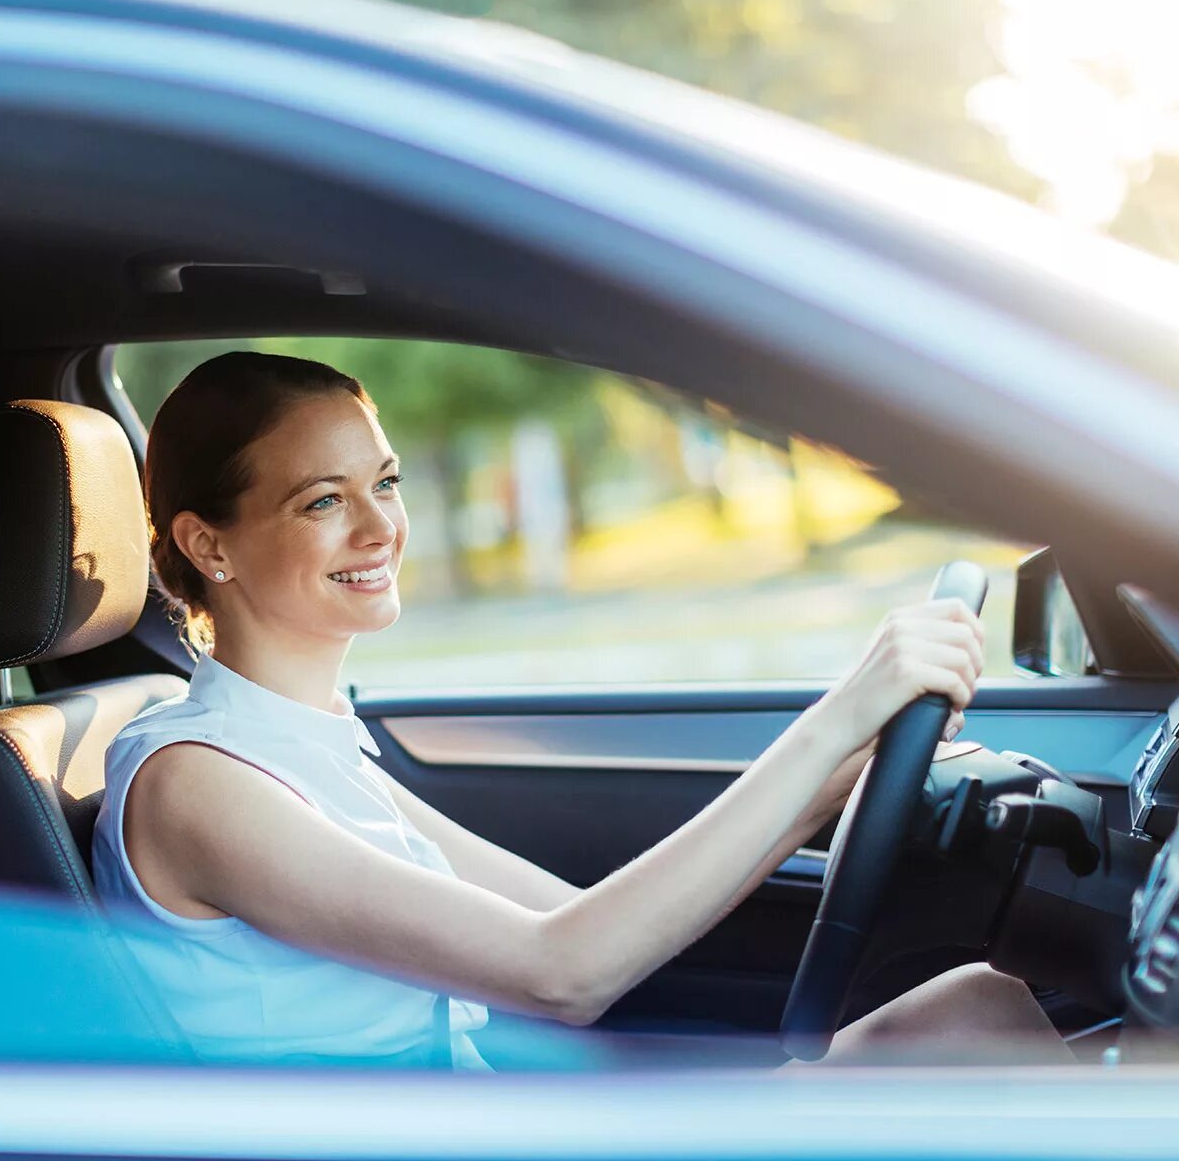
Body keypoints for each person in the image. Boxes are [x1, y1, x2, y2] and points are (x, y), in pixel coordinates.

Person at [90, 352, 1064, 1070]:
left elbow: (567, 918)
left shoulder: (310, 750)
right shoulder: (195, 781)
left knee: (978, 1008)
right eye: (322, 501)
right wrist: (831, 721)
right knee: (977, 1028)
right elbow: (561, 972)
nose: (383, 524)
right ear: (208, 545)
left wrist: (826, 784)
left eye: (384, 481)